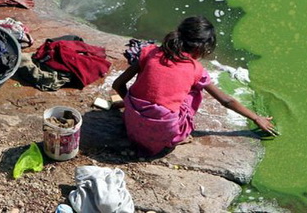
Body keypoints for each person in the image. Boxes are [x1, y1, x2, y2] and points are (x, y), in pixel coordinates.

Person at [112, 15, 276, 156]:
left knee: (149, 74)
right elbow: (226, 101)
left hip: (132, 126)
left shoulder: (150, 52)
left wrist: (129, 102)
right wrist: (256, 118)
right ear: (201, 48)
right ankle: (179, 136)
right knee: (195, 89)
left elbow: (117, 84)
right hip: (163, 136)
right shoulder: (196, 69)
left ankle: (143, 109)